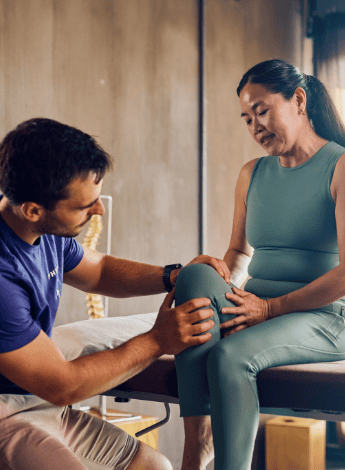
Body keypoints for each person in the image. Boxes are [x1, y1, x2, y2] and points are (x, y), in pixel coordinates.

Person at [0, 117, 226, 470]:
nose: (99, 209)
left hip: (37, 400)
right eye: (84, 205)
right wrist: (157, 340)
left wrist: (171, 276)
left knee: (155, 467)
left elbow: (100, 271)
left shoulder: (45, 233)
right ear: (33, 209)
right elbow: (63, 385)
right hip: (8, 413)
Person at [174, 58, 345, 470]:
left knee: (229, 357)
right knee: (195, 276)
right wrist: (219, 275)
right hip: (258, 305)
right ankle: (198, 441)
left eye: (262, 111)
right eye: (246, 118)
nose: (255, 126)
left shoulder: (339, 166)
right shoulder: (251, 173)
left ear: (298, 100)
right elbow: (238, 253)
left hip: (322, 315)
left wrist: (268, 309)